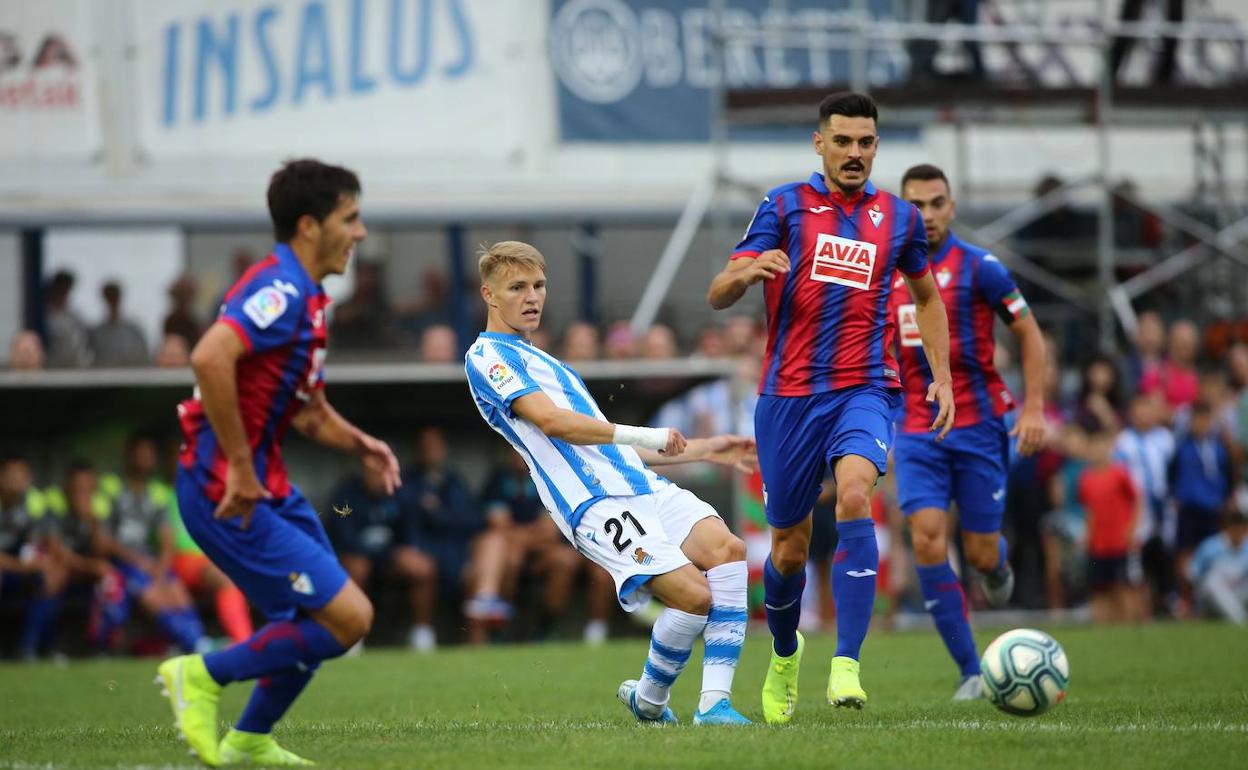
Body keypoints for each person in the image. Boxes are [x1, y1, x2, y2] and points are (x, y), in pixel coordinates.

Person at [706, 91, 953, 721]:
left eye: (866, 142)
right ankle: (785, 656)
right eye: (842, 141)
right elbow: (718, 292)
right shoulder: (784, 205)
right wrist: (748, 271)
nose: (855, 153)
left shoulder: (898, 218)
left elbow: (926, 298)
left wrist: (942, 378)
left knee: (853, 496)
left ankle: (846, 663)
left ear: (876, 146)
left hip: (866, 387)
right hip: (787, 397)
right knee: (788, 548)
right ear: (820, 143)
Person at [158, 159, 401, 767]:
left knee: (313, 616)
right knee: (350, 617)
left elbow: (308, 411)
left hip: (265, 483)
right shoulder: (282, 288)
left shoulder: (312, 299)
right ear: (308, 225)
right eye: (350, 218)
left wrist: (360, 442)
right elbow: (210, 357)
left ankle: (249, 739)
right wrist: (239, 466)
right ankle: (203, 674)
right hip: (225, 486)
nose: (361, 232)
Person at [466, 241, 756, 725]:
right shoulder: (487, 358)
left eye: (538, 285)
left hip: (641, 486)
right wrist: (649, 433)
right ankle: (650, 697)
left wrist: (705, 449)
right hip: (595, 505)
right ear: (489, 295)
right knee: (694, 597)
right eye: (517, 287)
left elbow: (606, 446)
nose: (532, 296)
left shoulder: (548, 362)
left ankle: (712, 705)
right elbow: (553, 424)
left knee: (728, 551)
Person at [886, 163, 1048, 699]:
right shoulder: (886, 272)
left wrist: (1033, 409)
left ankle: (994, 564)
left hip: (979, 426)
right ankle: (971, 671)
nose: (927, 215)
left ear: (952, 207)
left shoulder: (982, 268)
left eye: (937, 203)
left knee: (979, 553)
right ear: (903, 209)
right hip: (916, 427)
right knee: (928, 540)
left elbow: (1029, 334)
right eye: (917, 205)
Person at [480, 450, 615, 644]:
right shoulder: (498, 479)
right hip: (510, 549)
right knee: (510, 557)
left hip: (543, 551)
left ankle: (547, 626)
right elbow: (498, 526)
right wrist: (526, 536)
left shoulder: (547, 477)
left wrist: (522, 536)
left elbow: (549, 532)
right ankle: (501, 628)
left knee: (564, 561)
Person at [91, 443, 209, 656]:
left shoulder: (156, 494)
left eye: (149, 456)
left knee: (176, 591)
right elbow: (102, 541)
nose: (144, 460)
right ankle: (192, 644)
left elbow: (167, 540)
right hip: (122, 562)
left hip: (149, 562)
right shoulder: (111, 489)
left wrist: (161, 568)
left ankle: (198, 640)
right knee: (153, 594)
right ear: (129, 456)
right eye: (140, 455)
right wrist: (139, 561)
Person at [324, 463, 438, 652]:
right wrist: (381, 554)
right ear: (364, 472)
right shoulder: (347, 494)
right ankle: (352, 634)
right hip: (358, 559)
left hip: (390, 559)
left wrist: (399, 553)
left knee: (423, 567)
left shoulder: (399, 494)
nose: (378, 478)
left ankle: (422, 633)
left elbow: (410, 535)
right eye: (374, 473)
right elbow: (343, 538)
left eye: (382, 473)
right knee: (358, 566)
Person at [1170, 400, 1233, 611]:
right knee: (1186, 554)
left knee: (1214, 553)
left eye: (1205, 419)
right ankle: (1186, 600)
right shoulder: (1182, 447)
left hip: (1213, 509)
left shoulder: (1219, 448)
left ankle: (1210, 600)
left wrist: (1224, 500)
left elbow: (1228, 476)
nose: (1201, 424)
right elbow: (1171, 474)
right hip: (1189, 508)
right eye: (1197, 420)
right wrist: (1176, 497)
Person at [1079, 430, 1142, 624]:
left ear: (1110, 448)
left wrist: (1131, 529)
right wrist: (1087, 535)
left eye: (1102, 446)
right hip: (1098, 543)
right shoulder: (1086, 479)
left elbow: (1136, 501)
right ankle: (1103, 625)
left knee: (1123, 585)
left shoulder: (1119, 473)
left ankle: (1128, 624)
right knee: (1099, 587)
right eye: (1095, 446)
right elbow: (1089, 511)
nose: (1098, 451)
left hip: (1119, 542)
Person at [1186, 494, 1248, 624]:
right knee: (1212, 581)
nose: (1238, 531)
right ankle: (1240, 620)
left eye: (1241, 526)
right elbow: (1192, 574)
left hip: (1239, 593)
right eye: (1235, 525)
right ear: (1228, 527)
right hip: (1211, 597)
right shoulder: (1211, 546)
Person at [89, 281, 149, 367]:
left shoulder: (134, 329)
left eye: (114, 296)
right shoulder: (97, 333)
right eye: (110, 296)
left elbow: (144, 356)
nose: (112, 300)